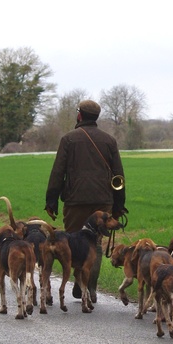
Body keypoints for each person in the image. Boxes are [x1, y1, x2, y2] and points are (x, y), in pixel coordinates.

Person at [45, 99, 127, 303]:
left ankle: (79, 282)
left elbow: (58, 172)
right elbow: (118, 177)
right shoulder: (109, 140)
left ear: (80, 115)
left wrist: (51, 200)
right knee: (95, 244)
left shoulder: (69, 139)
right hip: (103, 200)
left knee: (72, 239)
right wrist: (118, 206)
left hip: (75, 201)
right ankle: (89, 286)